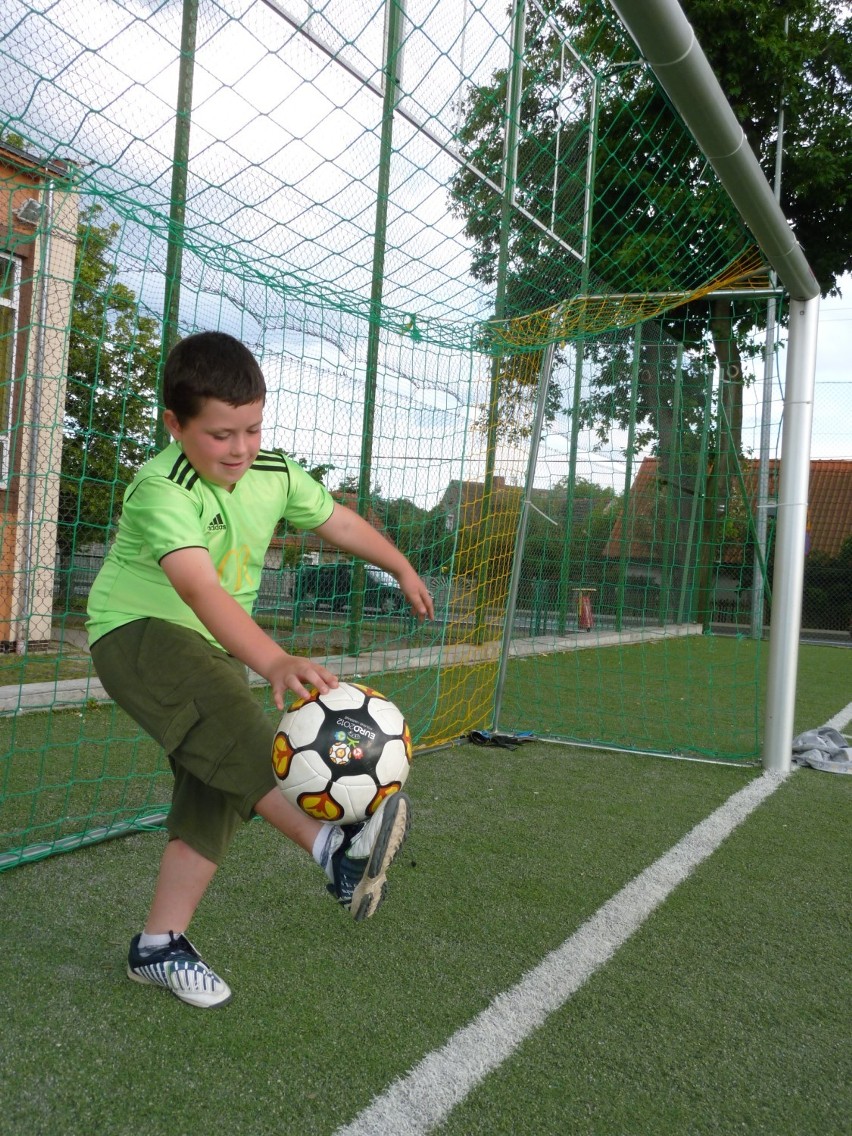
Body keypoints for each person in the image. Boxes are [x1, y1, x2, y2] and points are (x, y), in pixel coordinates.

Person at [86, 330, 434, 1009]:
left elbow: (336, 522)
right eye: (221, 434)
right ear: (174, 425)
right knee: (237, 725)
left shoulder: (272, 473)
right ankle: (336, 852)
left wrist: (397, 562)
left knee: (215, 787)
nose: (240, 448)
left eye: (252, 428)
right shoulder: (159, 489)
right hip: (135, 633)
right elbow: (199, 590)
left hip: (208, 647)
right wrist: (272, 658)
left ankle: (158, 945)